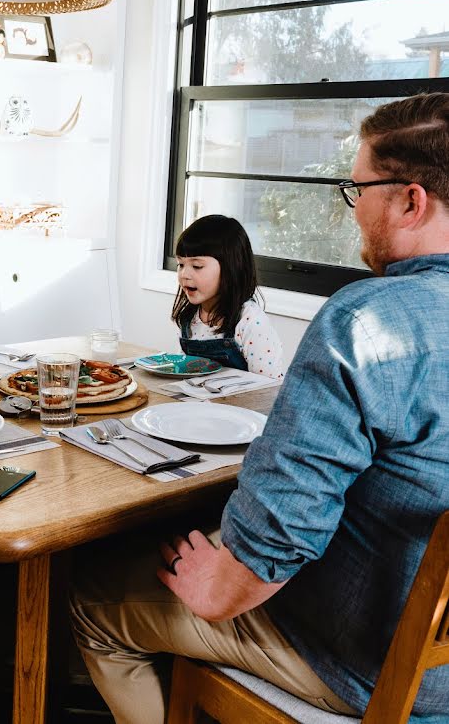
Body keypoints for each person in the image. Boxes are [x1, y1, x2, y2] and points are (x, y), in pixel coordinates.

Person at [71, 92, 449, 723]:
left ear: (411, 200)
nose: (354, 211)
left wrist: (219, 589)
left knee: (93, 600)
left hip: (363, 664)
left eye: (358, 190)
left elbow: (286, 524)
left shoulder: (368, 320)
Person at [173, 214, 284, 378]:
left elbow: (269, 388)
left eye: (197, 266)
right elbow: (182, 371)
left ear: (230, 268)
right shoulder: (190, 318)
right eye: (181, 264)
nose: (184, 274)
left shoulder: (251, 321)